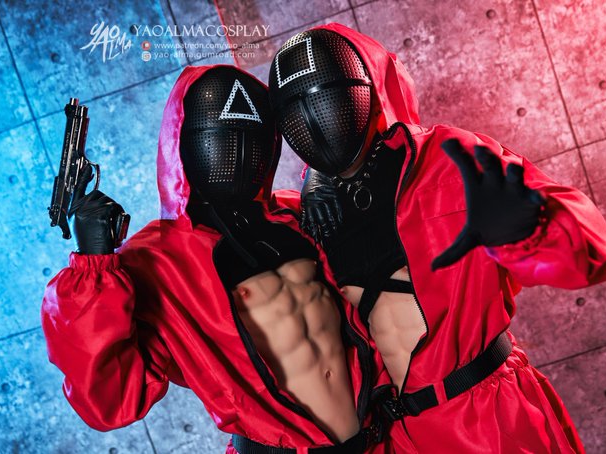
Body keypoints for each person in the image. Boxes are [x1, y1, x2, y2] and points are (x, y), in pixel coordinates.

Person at [268, 23, 606, 453]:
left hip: (492, 422)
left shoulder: (446, 161)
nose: (316, 119)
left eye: (327, 99)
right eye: (297, 112)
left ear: (365, 88)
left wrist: (529, 228)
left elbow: (591, 250)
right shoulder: (310, 217)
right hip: (402, 437)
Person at [41, 64, 387, 454]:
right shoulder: (155, 262)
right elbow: (109, 400)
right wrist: (93, 266)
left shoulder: (294, 215)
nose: (236, 151)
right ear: (183, 140)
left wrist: (325, 176)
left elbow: (384, 261)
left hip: (378, 440)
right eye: (219, 137)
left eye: (251, 137)